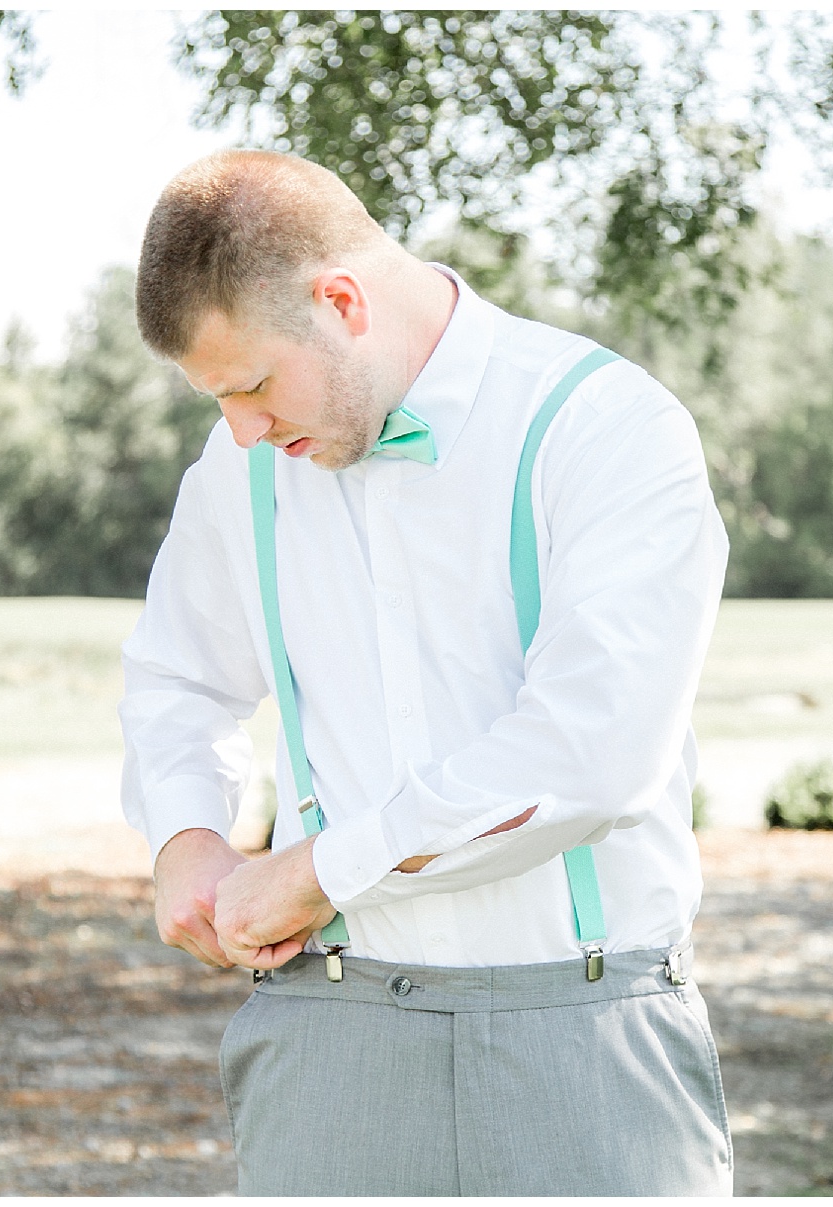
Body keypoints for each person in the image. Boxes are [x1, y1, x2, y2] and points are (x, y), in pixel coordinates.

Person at [120, 149, 733, 1196]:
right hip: (328, 1040)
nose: (243, 431)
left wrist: (319, 871)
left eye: (254, 384)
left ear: (342, 301)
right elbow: (179, 677)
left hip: (585, 1039)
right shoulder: (239, 468)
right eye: (217, 400)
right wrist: (185, 835)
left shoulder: (603, 426)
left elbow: (590, 757)